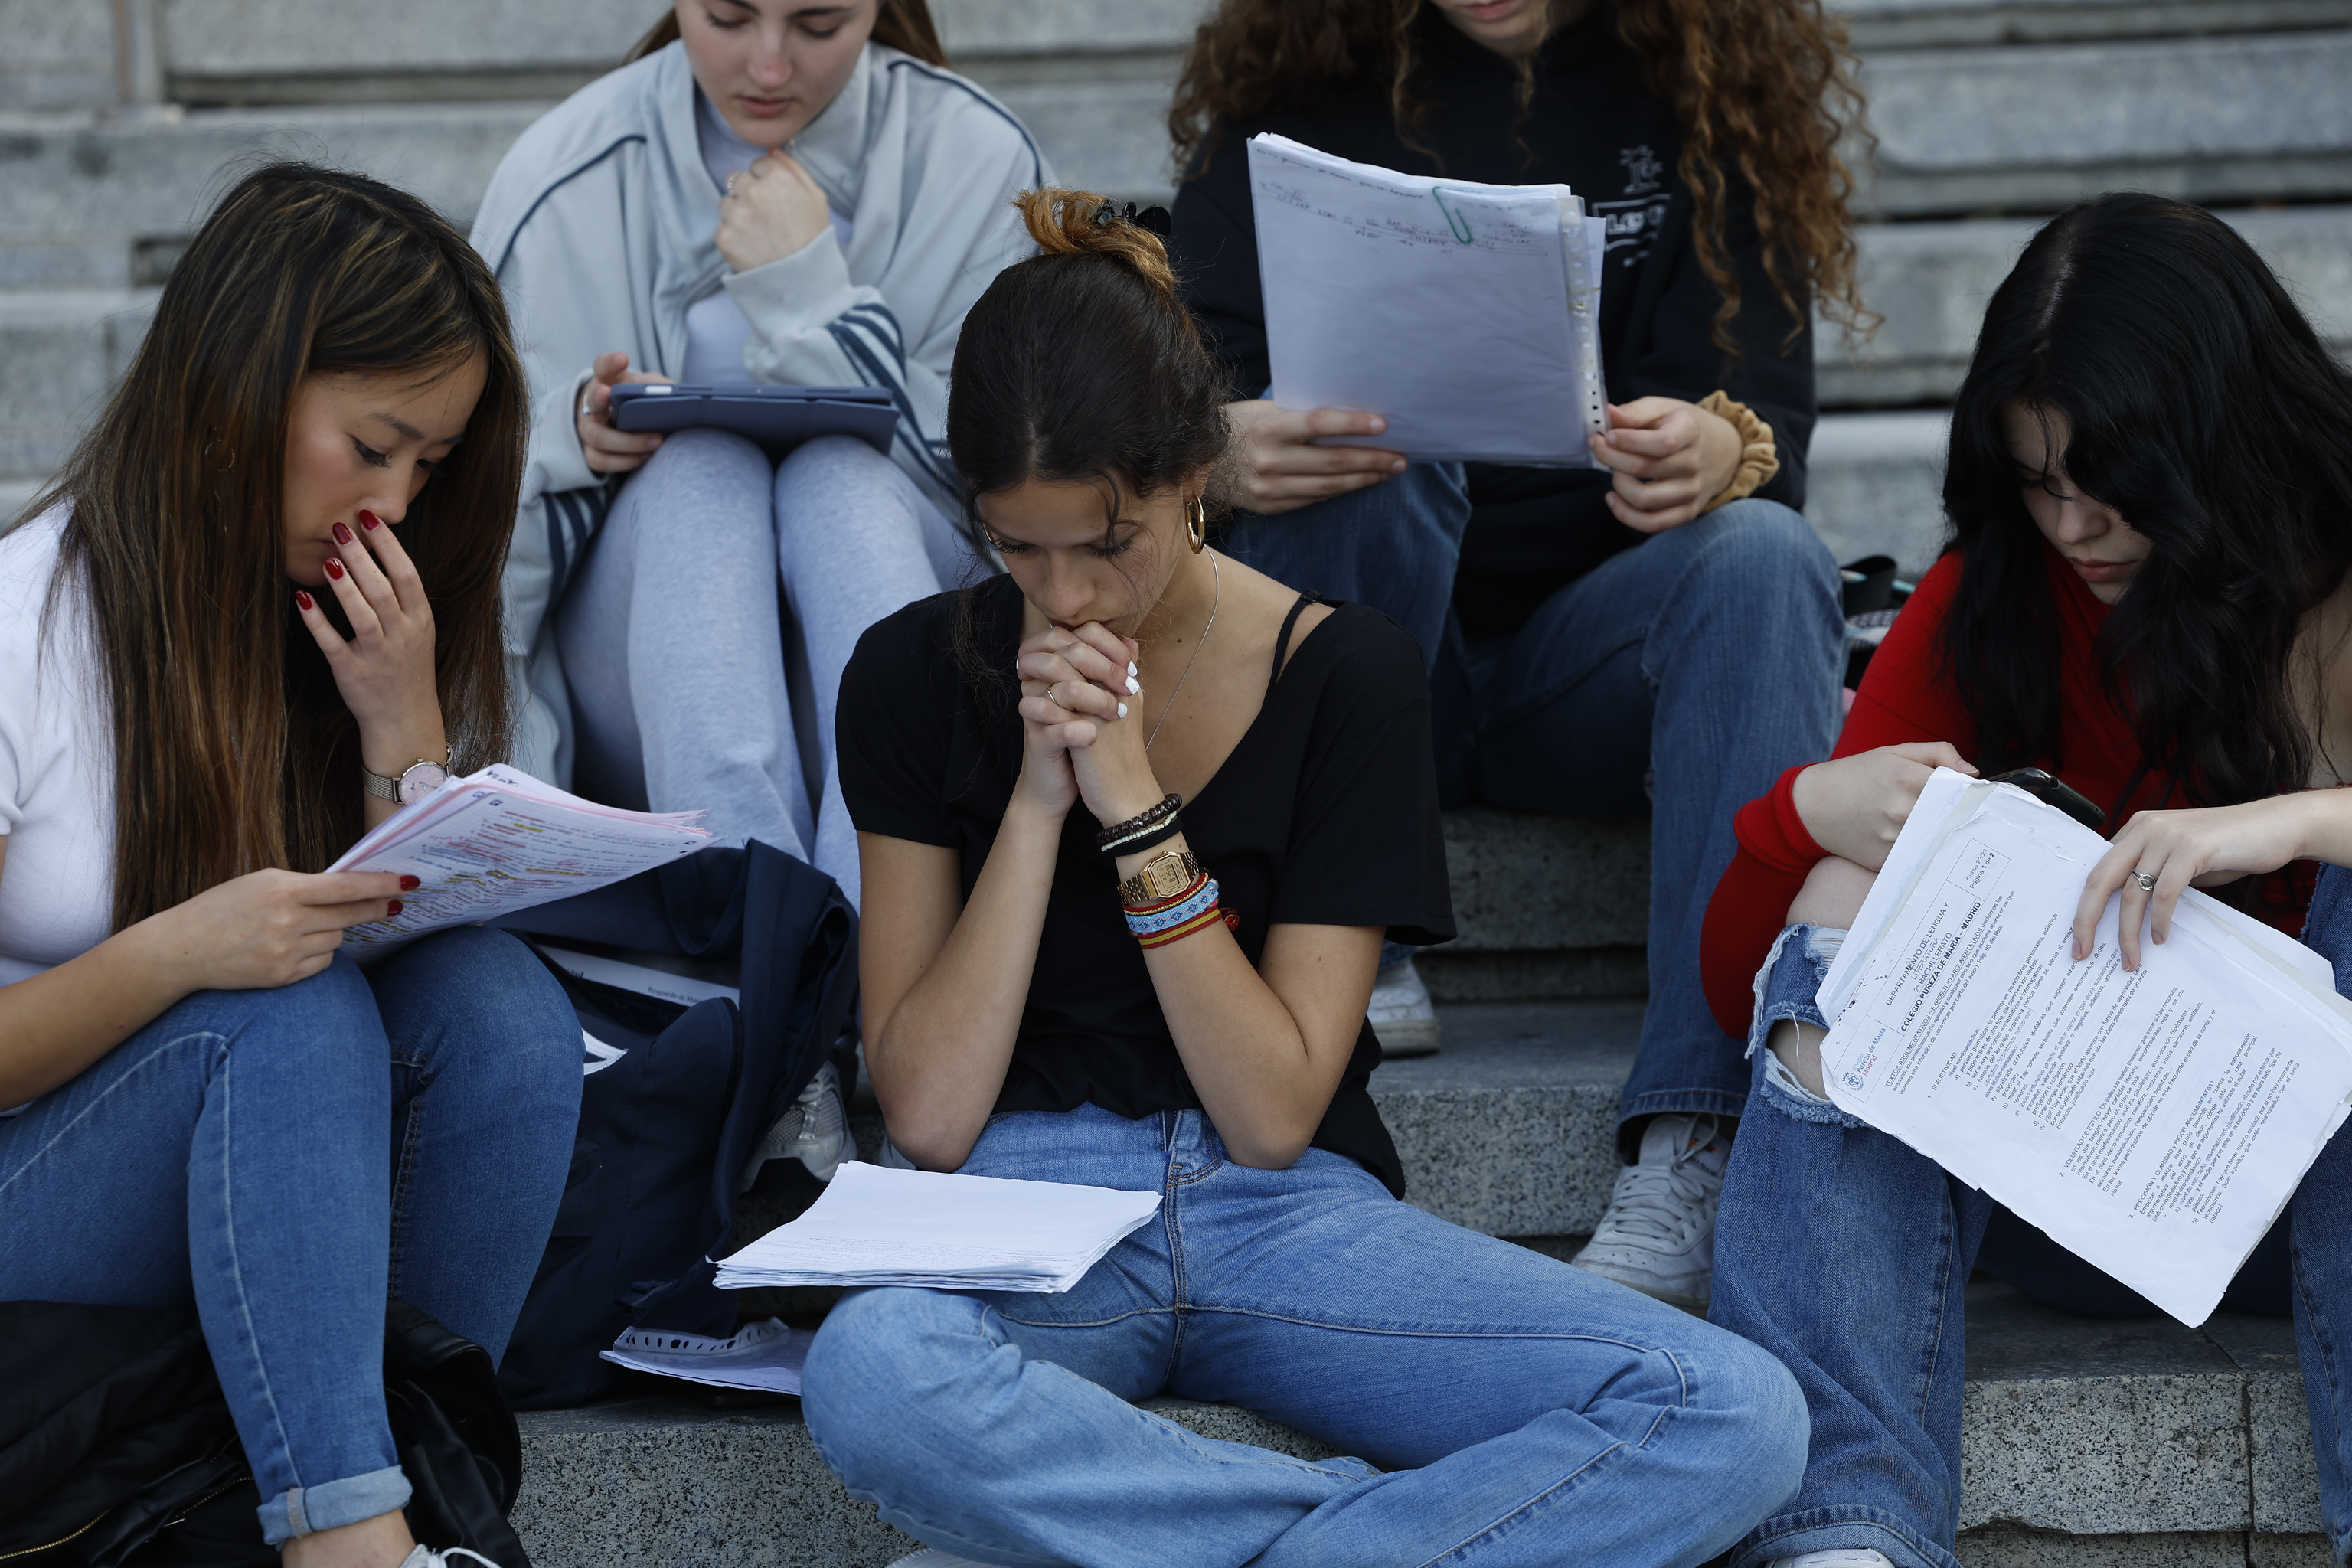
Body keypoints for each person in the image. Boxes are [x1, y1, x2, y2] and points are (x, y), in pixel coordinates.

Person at [794, 187, 1809, 1568]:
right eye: (1016, 547)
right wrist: (1038, 801)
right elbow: (925, 1108)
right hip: (1027, 1204)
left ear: (1195, 474)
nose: (1067, 594)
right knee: (870, 1365)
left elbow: (1272, 1108)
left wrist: (1134, 801)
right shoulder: (913, 673)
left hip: (1286, 1214)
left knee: (1734, 1409)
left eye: (1107, 544)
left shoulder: (1348, 674)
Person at [1163, 0, 1864, 1308]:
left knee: (1768, 556)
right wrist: (1218, 446)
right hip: (1363, 645)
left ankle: (1702, 1131)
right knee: (1376, 463)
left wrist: (1724, 447)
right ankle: (1342, 917)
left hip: (1583, 653)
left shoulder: (1700, 95)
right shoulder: (1298, 101)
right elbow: (1161, 410)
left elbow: (1767, 401)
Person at [1697, 193, 2352, 1568]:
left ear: (2216, 443)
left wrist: (2278, 824)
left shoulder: (2329, 573)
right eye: (2036, 479)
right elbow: (1739, 993)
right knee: (1843, 898)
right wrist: (1800, 808)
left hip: (2311, 1170)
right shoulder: (1998, 583)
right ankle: (1844, 1535)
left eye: (2109, 484)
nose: (2072, 525)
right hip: (2079, 1170)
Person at [0, 165, 582, 1568]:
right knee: (277, 1009)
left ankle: (427, 1478)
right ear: (240, 387)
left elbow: (378, 954)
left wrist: (406, 746)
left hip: (239, 1136)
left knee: (498, 1005)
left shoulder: (338, 620)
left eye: (428, 468)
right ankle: (351, 1539)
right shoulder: (23, 621)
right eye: (372, 445)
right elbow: (247, 986)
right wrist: (177, 952)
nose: (390, 505)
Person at [470, 0, 1047, 910]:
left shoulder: (979, 159)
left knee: (838, 482)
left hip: (914, 653)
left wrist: (807, 297)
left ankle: (880, 941)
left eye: (818, 25)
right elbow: (471, 508)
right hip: (646, 703)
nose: (770, 67)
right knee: (703, 469)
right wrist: (566, 434)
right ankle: (761, 940)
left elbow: (1031, 481)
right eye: (730, 17)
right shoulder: (565, 172)